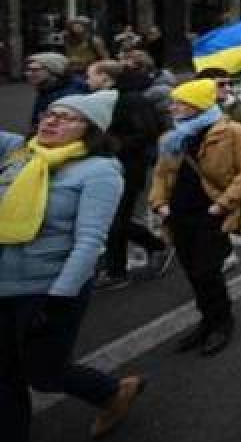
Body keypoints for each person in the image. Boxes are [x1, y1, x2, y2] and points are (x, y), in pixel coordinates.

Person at [0, 90, 147, 441]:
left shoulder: (100, 171)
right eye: (49, 113)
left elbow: (89, 242)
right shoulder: (19, 153)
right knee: (4, 377)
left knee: (44, 374)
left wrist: (58, 297)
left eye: (66, 117)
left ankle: (113, 392)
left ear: (90, 129)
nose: (50, 120)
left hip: (46, 290)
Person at [150, 78, 241, 357]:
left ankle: (222, 323)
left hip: (211, 214)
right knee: (191, 272)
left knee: (207, 271)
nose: (172, 108)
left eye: (179, 103)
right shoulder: (171, 137)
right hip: (177, 215)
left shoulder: (233, 132)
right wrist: (159, 203)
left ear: (198, 104)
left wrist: (222, 205)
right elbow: (161, 175)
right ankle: (206, 321)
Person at [86, 61, 170, 290]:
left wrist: (112, 144)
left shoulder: (129, 99)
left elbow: (146, 133)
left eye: (90, 75)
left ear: (105, 77)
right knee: (115, 218)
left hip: (129, 166)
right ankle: (121, 265)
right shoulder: (109, 99)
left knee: (117, 219)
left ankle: (121, 267)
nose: (87, 81)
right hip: (113, 164)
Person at [25, 52, 87, 130]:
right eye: (28, 70)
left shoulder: (69, 95)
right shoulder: (48, 88)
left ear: (53, 70)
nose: (29, 74)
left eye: (35, 70)